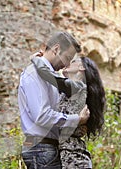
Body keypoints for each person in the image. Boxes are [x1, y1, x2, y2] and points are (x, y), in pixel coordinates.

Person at [18, 31, 90, 169]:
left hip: (44, 148)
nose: (67, 64)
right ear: (56, 49)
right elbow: (42, 116)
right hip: (42, 148)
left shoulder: (48, 74)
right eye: (67, 57)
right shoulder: (35, 73)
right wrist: (77, 119)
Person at [31, 55, 106, 169]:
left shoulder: (78, 87)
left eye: (73, 61)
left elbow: (51, 78)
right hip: (67, 157)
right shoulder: (68, 93)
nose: (67, 63)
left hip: (74, 159)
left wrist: (36, 59)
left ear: (81, 68)